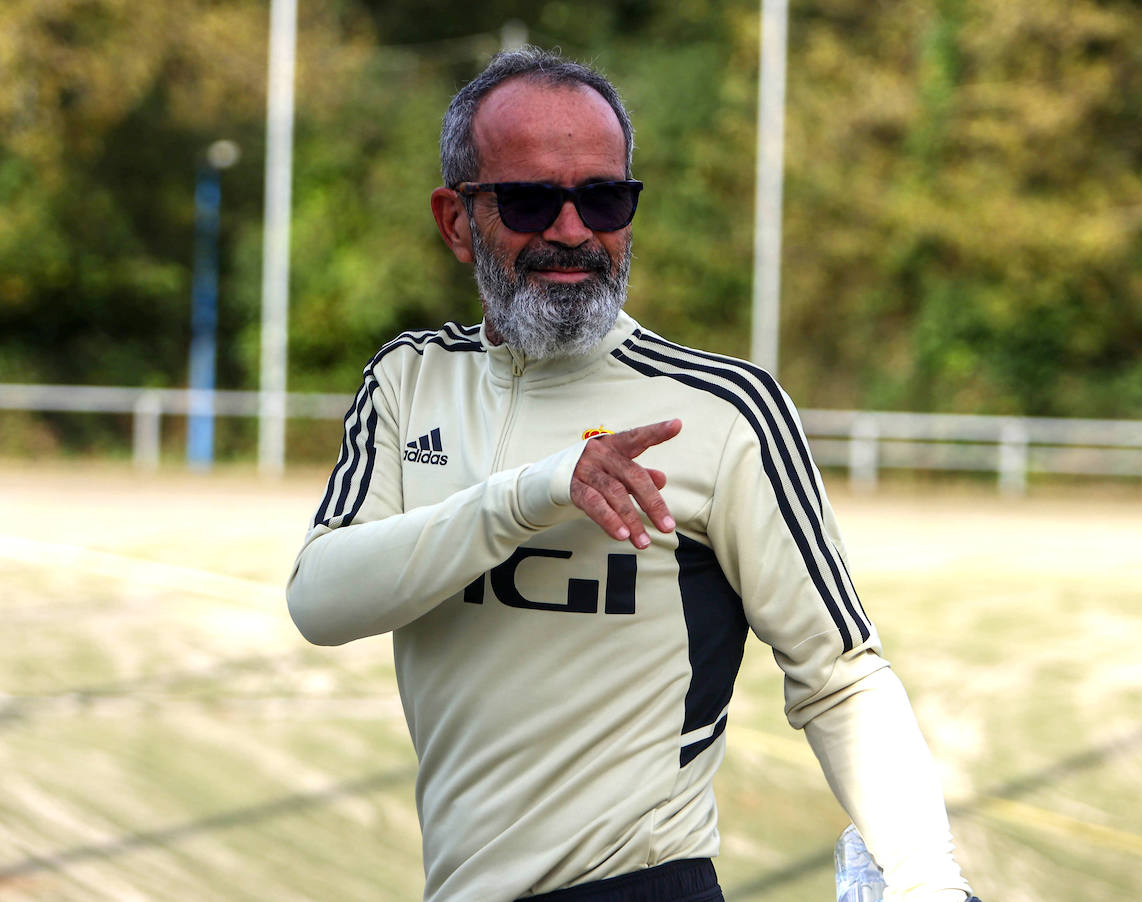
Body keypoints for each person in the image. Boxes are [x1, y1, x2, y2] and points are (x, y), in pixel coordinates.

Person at [288, 47, 978, 902]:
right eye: (532, 199)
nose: (573, 230)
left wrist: (928, 880)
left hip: (641, 882)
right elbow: (320, 600)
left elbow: (839, 674)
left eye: (604, 197)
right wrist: (533, 493)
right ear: (457, 220)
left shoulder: (727, 410)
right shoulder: (410, 379)